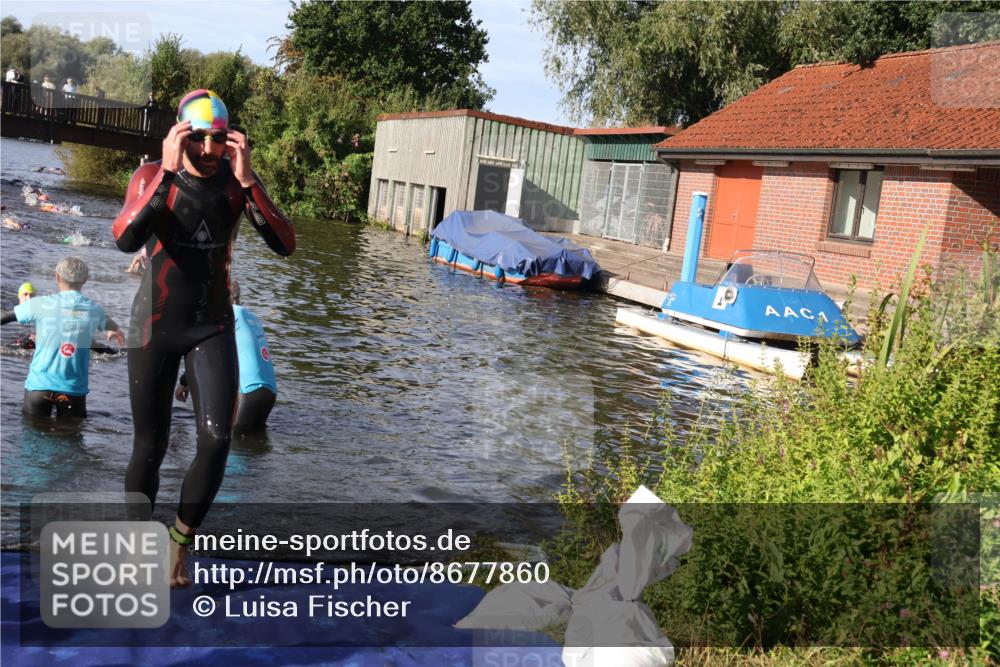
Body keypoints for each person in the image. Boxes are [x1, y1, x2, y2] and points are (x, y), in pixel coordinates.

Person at [112, 89, 295, 587]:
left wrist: (250, 179)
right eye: (200, 140)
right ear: (180, 136)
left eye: (220, 139)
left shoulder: (237, 186)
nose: (211, 150)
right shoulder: (152, 176)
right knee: (150, 443)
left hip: (211, 325)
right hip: (152, 324)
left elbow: (285, 244)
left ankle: (177, 546)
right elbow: (125, 237)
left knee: (217, 438)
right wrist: (169, 173)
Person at [0, 258, 125, 418]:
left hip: (39, 387)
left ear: (57, 277)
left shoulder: (40, 304)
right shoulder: (94, 310)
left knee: (32, 437)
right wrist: (115, 330)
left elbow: (5, 317)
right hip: (73, 390)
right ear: (85, 280)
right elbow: (107, 321)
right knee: (70, 438)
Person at [175, 280, 277, 433]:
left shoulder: (227, 315)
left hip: (248, 392)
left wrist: (184, 383)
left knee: (231, 449)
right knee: (252, 445)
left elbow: (203, 355)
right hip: (269, 392)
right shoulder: (251, 318)